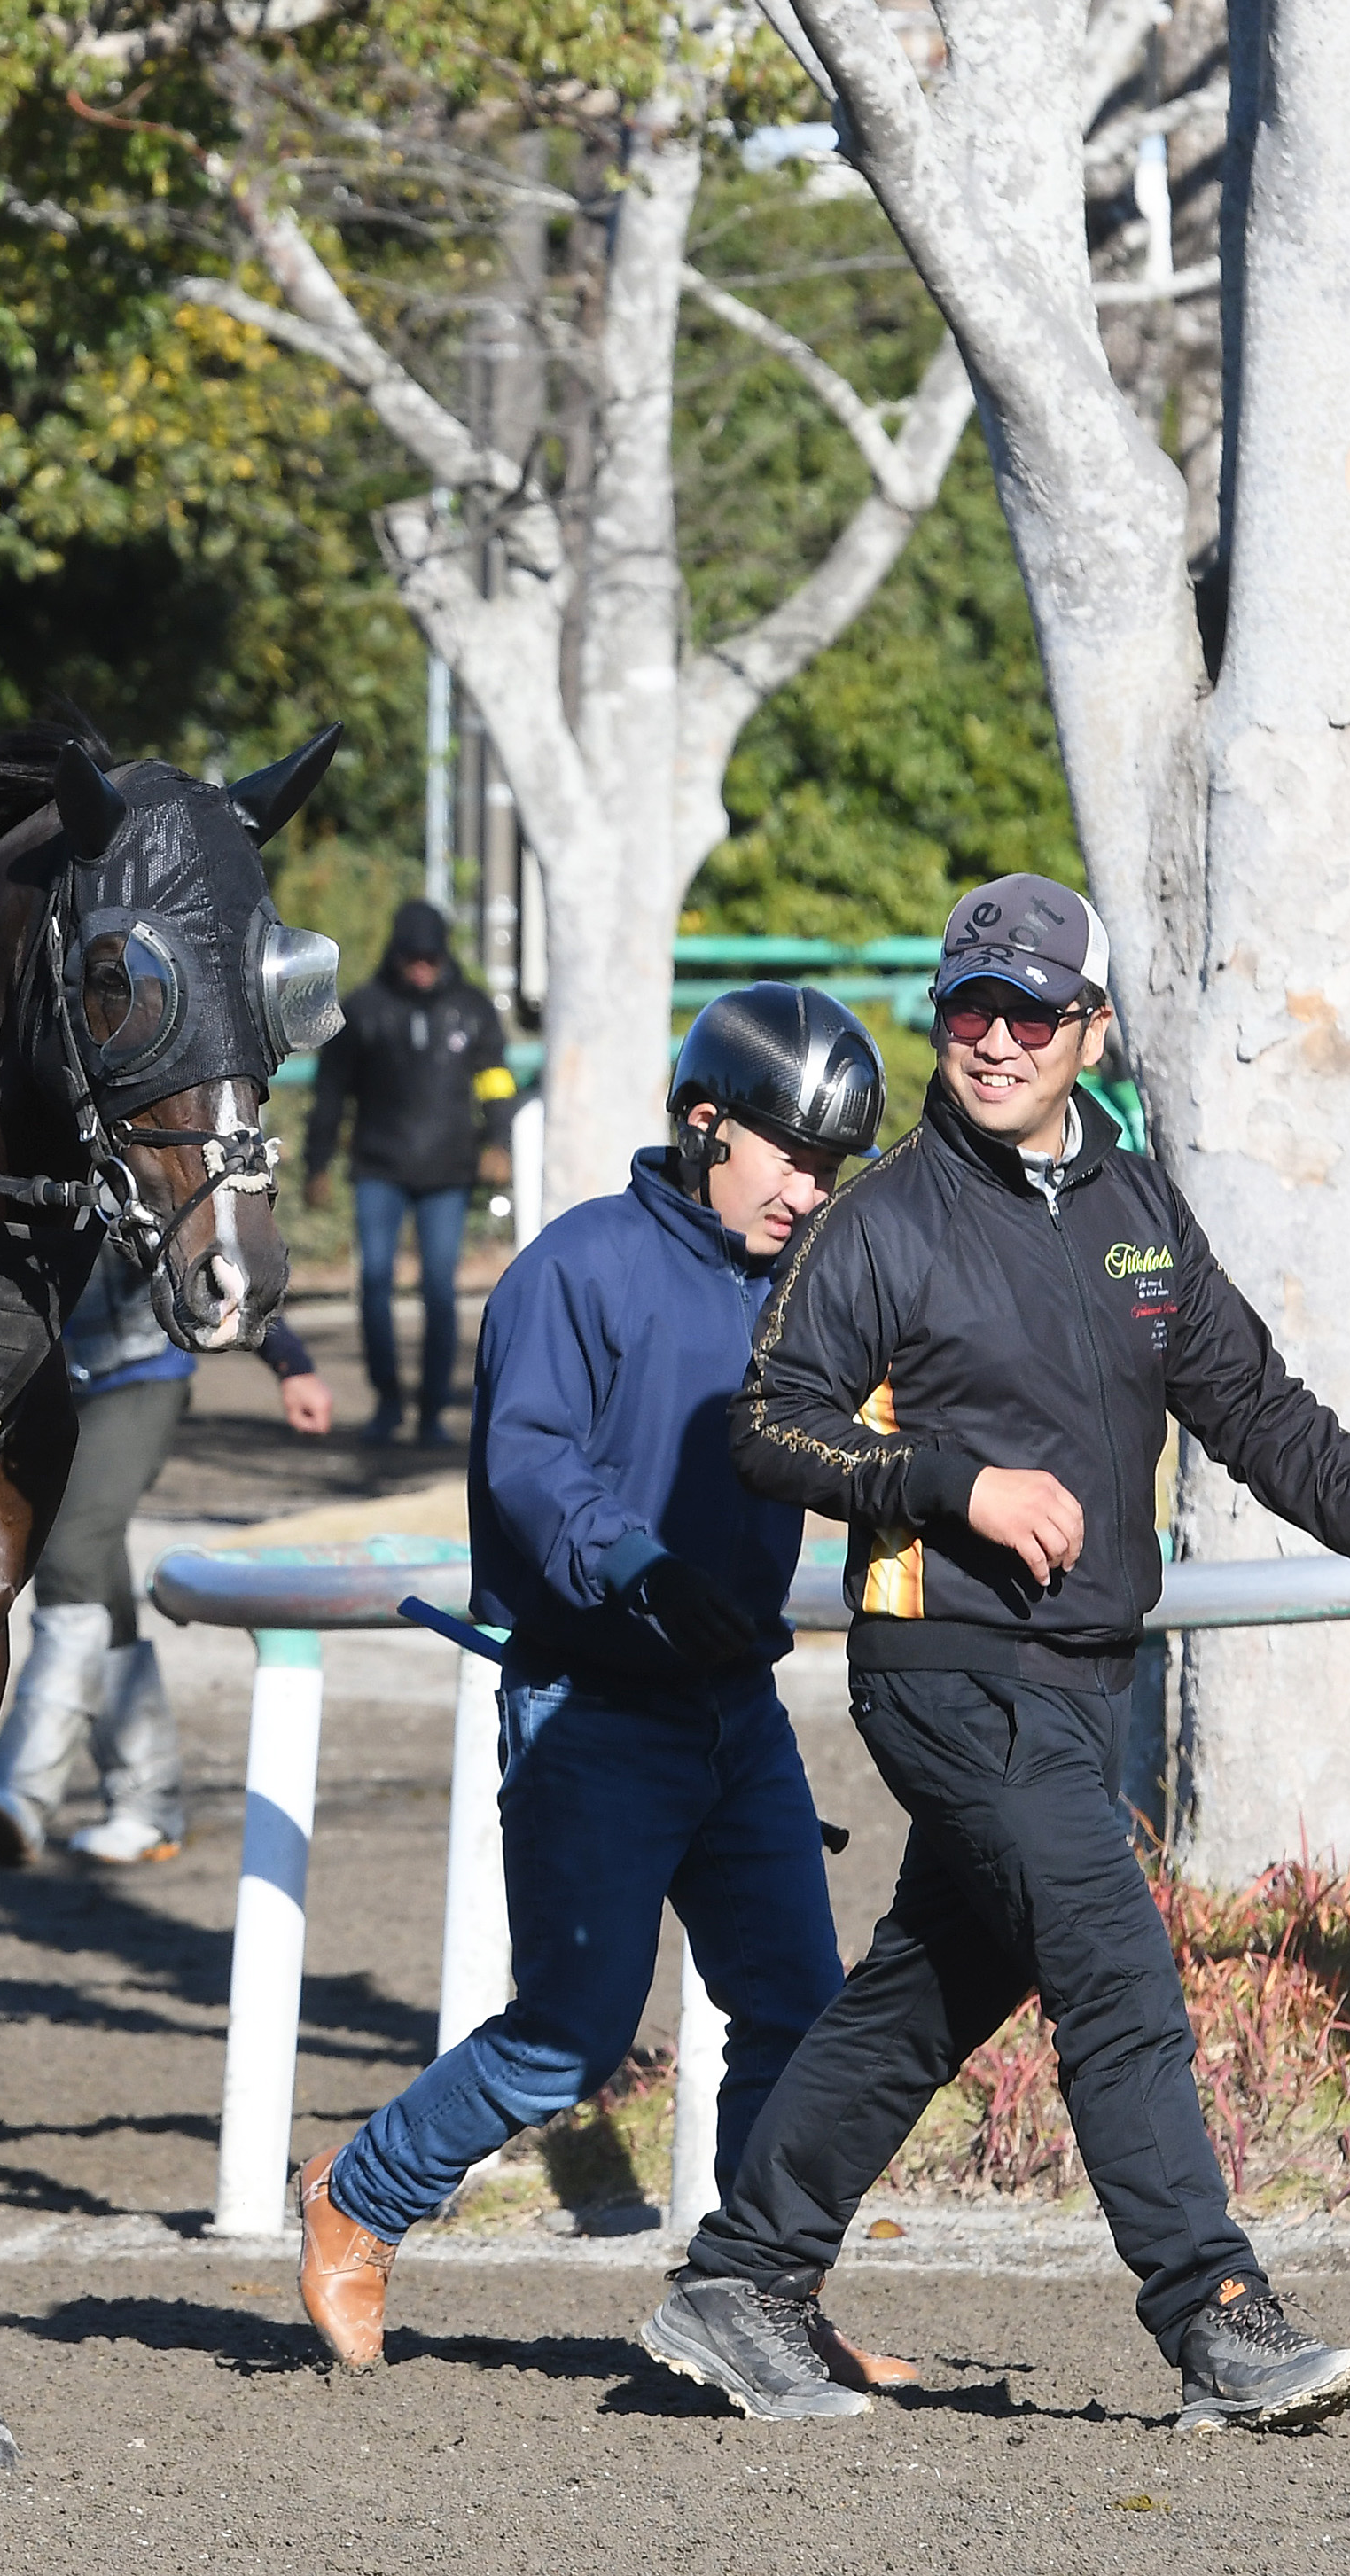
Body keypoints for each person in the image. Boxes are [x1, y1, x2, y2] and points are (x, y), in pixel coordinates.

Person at [652, 872, 1350, 2433]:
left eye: (1029, 1011)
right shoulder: (885, 1216)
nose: (992, 1039)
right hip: (944, 1667)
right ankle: (1217, 2315)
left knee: (925, 1990)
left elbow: (1250, 1399)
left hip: (1080, 1679)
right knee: (1113, 1962)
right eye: (969, 1006)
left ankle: (739, 2282)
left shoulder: (1135, 1204)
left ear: (1088, 1026)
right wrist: (947, 1483)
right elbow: (767, 1427)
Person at [293, 984, 910, 2386]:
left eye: (832, 1168)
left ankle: (755, 2290)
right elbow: (530, 1463)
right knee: (570, 2037)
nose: (811, 1192)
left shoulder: (808, 1286)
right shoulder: (574, 1270)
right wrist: (633, 1564)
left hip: (737, 1715)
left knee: (798, 2012)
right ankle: (360, 2193)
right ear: (705, 1126)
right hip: (588, 1707)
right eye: (790, 1156)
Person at [0, 1253, 332, 1866]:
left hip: (139, 1380)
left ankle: (21, 1788)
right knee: (97, 1575)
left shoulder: (124, 1163)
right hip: (49, 1389)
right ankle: (147, 1803)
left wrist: (290, 1363)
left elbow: (210, 1256)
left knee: (71, 1551)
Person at [302, 901, 513, 1446]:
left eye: (430, 958)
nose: (421, 968)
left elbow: (495, 1080)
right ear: (395, 957)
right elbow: (330, 1095)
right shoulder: (362, 1011)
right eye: (411, 958)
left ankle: (433, 1411)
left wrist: (499, 1143)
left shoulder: (472, 1009)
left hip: (448, 1170)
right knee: (375, 1283)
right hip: (379, 1168)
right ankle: (387, 1400)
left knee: (439, 1290)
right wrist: (317, 1163)